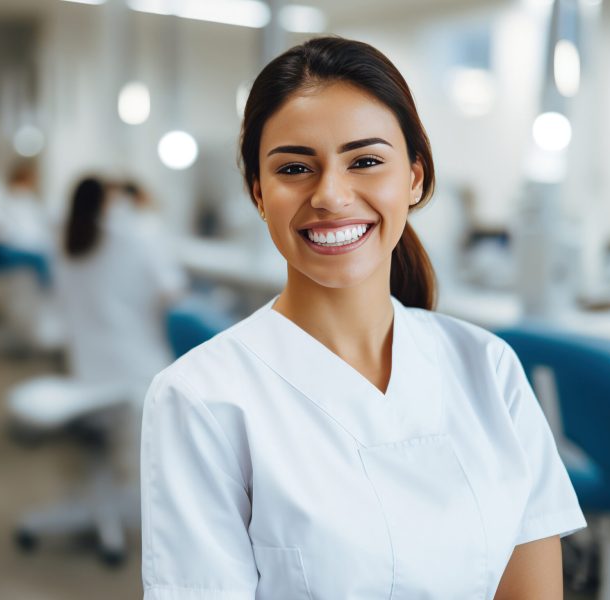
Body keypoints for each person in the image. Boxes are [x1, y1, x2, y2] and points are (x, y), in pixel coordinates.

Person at [139, 37, 586, 599]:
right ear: (258, 193)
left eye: (366, 161)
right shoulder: (201, 398)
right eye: (296, 168)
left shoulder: (489, 369)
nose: (330, 195)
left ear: (416, 178)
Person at [59, 176, 186, 388]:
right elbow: (174, 291)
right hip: (138, 369)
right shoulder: (137, 237)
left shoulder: (68, 246)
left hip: (85, 367)